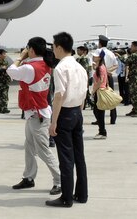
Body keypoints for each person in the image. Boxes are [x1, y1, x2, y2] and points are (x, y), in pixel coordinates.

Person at [7, 37, 61, 196]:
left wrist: (20, 57)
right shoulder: (45, 64)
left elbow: (10, 71)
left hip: (37, 115)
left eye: (27, 49)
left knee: (43, 150)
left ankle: (59, 180)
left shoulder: (29, 67)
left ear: (31, 49)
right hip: (36, 113)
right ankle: (29, 177)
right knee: (29, 147)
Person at [46, 32, 89, 207]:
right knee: (79, 156)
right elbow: (84, 92)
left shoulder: (61, 68)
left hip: (64, 113)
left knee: (65, 158)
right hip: (77, 112)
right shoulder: (80, 67)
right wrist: (78, 114)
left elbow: (59, 95)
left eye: (53, 47)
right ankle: (81, 193)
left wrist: (53, 121)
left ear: (58, 47)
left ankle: (66, 198)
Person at [90, 51, 110, 139]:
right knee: (97, 111)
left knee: (99, 112)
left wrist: (93, 90)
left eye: (95, 56)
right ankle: (101, 131)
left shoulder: (101, 68)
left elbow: (101, 80)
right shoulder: (100, 67)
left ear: (99, 58)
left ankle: (102, 132)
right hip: (100, 91)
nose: (93, 57)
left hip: (99, 91)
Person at [125, 41, 137, 117]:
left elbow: (125, 61)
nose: (131, 47)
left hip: (135, 79)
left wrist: (119, 56)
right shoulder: (136, 55)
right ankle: (134, 109)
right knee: (133, 95)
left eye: (132, 46)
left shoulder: (134, 55)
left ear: (136, 47)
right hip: (134, 78)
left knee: (135, 95)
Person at [75, 45, 92, 110]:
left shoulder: (87, 58)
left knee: (85, 92)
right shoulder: (77, 58)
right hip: (79, 77)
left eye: (79, 50)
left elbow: (89, 69)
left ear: (83, 51)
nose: (77, 52)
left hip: (85, 77)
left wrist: (89, 77)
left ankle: (89, 103)